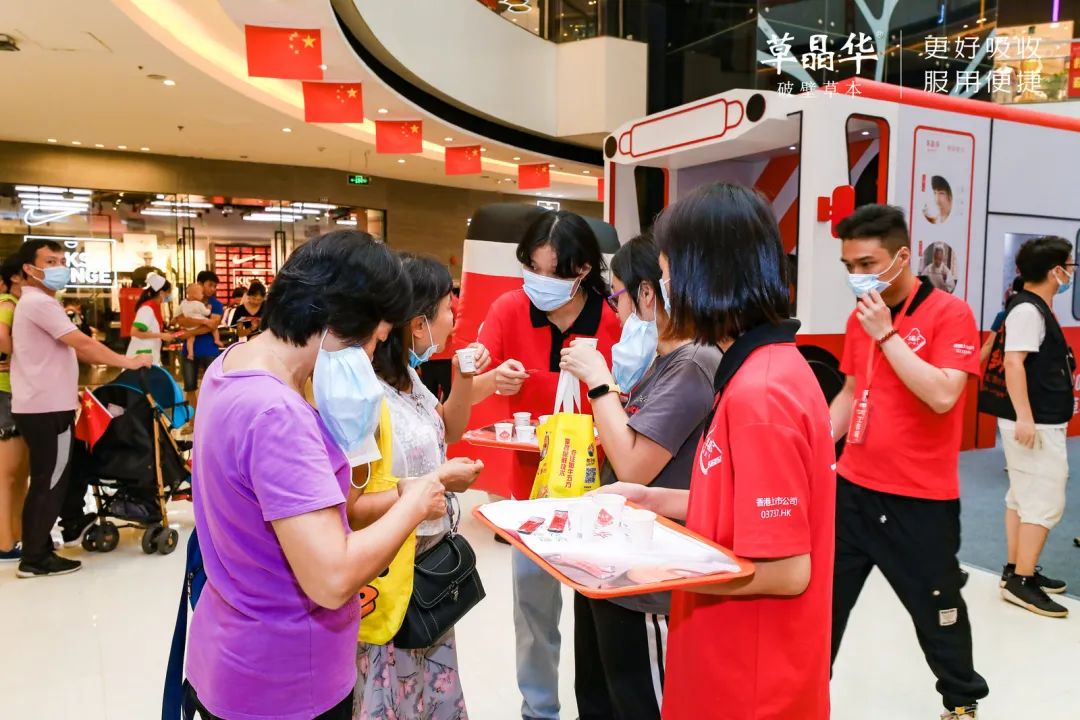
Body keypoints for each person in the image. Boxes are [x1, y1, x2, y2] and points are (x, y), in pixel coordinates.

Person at [184, 231, 448, 720]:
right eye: (375, 341)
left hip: (229, 652)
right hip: (284, 682)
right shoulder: (279, 414)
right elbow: (332, 576)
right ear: (334, 325)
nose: (371, 359)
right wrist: (416, 503)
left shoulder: (231, 367)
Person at [597, 183, 835, 719]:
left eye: (669, 273)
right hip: (730, 662)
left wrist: (660, 568)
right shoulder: (754, 371)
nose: (665, 289)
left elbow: (787, 569)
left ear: (708, 273)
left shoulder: (761, 395)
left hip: (747, 682)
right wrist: (655, 501)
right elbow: (741, 505)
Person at [829, 205, 988, 720]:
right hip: (852, 489)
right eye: (848, 264)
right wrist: (811, 448)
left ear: (901, 256)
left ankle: (962, 702)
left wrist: (888, 336)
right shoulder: (863, 316)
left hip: (920, 500)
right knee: (820, 612)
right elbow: (851, 393)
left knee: (938, 612)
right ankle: (803, 695)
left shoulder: (950, 313)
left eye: (867, 262)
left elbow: (944, 395)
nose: (857, 275)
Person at [558, 234, 722, 720]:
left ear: (649, 293)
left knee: (637, 701)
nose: (616, 311)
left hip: (645, 580)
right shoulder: (663, 361)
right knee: (598, 695)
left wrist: (598, 379)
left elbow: (633, 464)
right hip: (611, 563)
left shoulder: (694, 363)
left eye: (617, 296)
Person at [468, 210, 621, 720]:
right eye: (529, 267)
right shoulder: (511, 308)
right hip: (530, 491)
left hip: (599, 490)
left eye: (550, 271)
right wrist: (494, 382)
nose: (537, 282)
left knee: (604, 612)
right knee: (533, 610)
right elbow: (472, 378)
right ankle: (539, 710)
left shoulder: (611, 321)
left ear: (581, 270)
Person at [355, 254, 488, 719]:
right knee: (394, 694)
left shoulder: (409, 377)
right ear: (417, 324)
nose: (455, 319)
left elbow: (447, 428)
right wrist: (436, 481)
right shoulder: (367, 397)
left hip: (427, 570)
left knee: (430, 696)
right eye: (449, 308)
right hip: (389, 575)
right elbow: (350, 507)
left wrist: (465, 378)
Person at [12, 239, 152, 579]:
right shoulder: (39, 304)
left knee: (49, 477)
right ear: (30, 269)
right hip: (46, 408)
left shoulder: (39, 303)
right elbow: (84, 344)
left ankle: (38, 546)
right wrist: (128, 361)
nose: (59, 266)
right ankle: (35, 557)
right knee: (51, 480)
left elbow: (76, 350)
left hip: (43, 405)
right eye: (50, 260)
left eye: (62, 259)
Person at [980, 236, 1074, 618]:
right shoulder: (1027, 312)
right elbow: (1014, 363)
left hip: (1036, 419)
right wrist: (1024, 417)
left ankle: (1018, 571)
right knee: (1045, 498)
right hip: (1035, 422)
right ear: (1054, 271)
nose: (1070, 273)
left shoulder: (1034, 308)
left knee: (1021, 496)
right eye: (1068, 266)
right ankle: (1022, 581)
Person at [0, 258, 28, 562]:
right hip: (5, 392)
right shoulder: (7, 302)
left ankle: (15, 536)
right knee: (8, 474)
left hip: (12, 392)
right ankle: (5, 542)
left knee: (19, 473)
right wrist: (18, 355)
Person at [177, 270, 223, 407]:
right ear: (200, 284)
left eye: (215, 286)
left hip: (210, 350)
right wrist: (203, 322)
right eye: (210, 285)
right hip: (189, 351)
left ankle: (209, 421)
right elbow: (181, 321)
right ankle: (192, 421)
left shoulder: (216, 304)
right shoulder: (186, 302)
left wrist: (191, 332)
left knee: (213, 387)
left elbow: (213, 325)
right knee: (189, 386)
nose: (213, 289)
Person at [125, 271, 177, 366]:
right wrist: (161, 335)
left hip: (149, 357)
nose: (170, 295)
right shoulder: (147, 309)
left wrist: (163, 335)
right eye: (168, 292)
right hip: (141, 358)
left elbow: (151, 331)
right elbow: (134, 332)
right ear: (161, 293)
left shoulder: (155, 307)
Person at [979, 277, 1024, 366]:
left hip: (1004, 365)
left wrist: (973, 367)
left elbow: (989, 344)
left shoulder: (1002, 315)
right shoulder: (1036, 314)